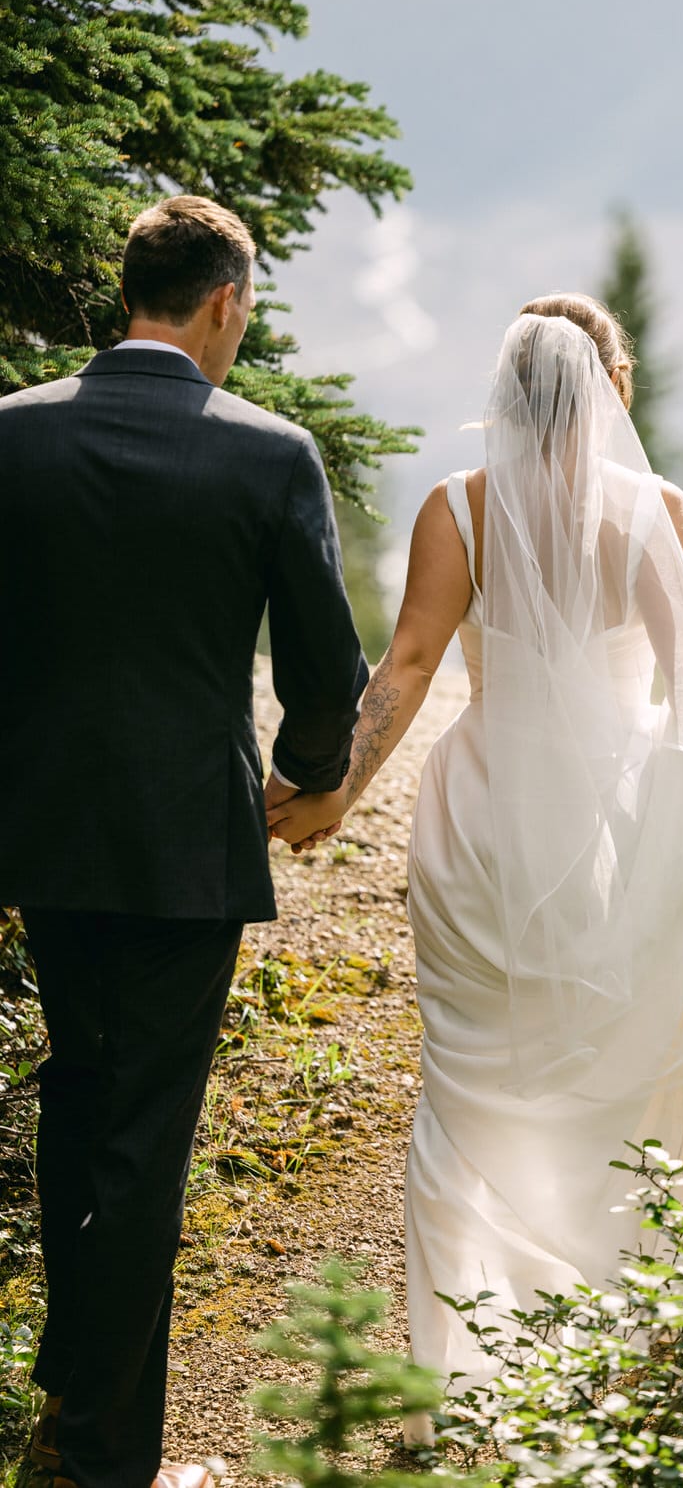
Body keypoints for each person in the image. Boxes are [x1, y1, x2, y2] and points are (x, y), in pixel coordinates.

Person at [267, 293, 683, 1434]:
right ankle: (620, 1332)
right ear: (614, 388)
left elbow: (404, 663)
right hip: (621, 824)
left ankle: (467, 1366)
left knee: (471, 1079)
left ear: (504, 397)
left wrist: (339, 786)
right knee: (627, 1065)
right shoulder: (656, 512)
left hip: (482, 815)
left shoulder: (457, 508)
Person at [0, 196, 368, 1488]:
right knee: (145, 1135)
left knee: (80, 1098)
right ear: (223, 303)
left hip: (42, 836)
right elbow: (329, 672)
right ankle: (90, 1448)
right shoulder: (270, 456)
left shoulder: (12, 435)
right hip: (187, 852)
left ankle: (84, 1423)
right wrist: (305, 777)